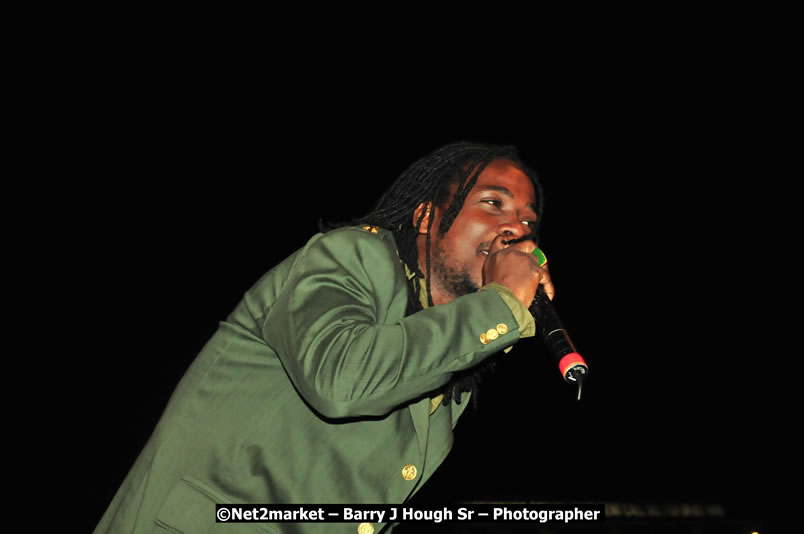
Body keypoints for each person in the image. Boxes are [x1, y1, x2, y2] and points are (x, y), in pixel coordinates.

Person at [95, 141, 554, 534]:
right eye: (493, 204)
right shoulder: (354, 255)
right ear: (425, 217)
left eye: (528, 222)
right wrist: (501, 306)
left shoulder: (453, 372)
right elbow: (342, 380)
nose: (516, 229)